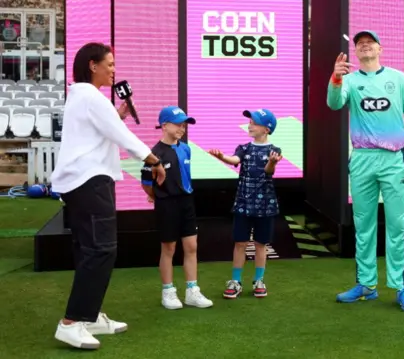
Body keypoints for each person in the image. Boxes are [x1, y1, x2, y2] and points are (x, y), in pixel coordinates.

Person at [50, 42, 166, 350]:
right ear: (93, 65)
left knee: (90, 249)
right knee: (101, 250)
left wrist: (116, 115)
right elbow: (122, 137)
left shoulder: (82, 97)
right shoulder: (90, 96)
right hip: (90, 182)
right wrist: (153, 160)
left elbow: (102, 130)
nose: (113, 70)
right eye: (109, 64)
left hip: (82, 182)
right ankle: (72, 322)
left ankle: (88, 316)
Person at [327, 30, 404, 312]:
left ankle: (400, 287)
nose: (365, 45)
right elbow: (334, 103)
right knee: (364, 225)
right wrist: (335, 77)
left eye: (369, 42)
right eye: (360, 43)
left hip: (394, 159)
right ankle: (366, 285)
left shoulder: (397, 78)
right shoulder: (349, 80)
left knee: (397, 225)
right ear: (355, 52)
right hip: (362, 159)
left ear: (380, 48)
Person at [140, 106, 213, 310]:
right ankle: (168, 292)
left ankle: (192, 291)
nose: (182, 128)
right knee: (169, 249)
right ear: (164, 125)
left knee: (191, 247)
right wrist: (158, 196)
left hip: (187, 203)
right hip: (166, 204)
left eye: (184, 124)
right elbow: (146, 183)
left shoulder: (185, 148)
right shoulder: (154, 153)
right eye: (178, 124)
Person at [208, 109, 282, 299]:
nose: (249, 125)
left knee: (260, 244)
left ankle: (259, 281)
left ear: (266, 129)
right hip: (243, 203)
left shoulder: (275, 150)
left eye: (254, 122)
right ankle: (236, 281)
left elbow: (268, 170)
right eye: (249, 121)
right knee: (240, 242)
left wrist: (272, 162)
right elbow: (234, 159)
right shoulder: (244, 147)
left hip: (266, 204)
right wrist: (221, 157)